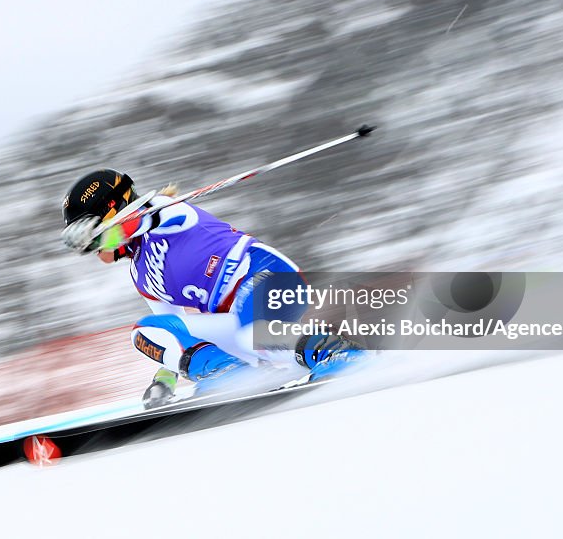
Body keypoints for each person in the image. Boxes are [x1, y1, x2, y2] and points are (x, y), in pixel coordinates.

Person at [60, 169, 360, 408]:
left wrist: (106, 235)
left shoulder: (164, 211)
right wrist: (165, 380)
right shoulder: (142, 275)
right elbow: (177, 333)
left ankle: (334, 353)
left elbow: (152, 217)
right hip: (237, 318)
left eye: (93, 239)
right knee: (145, 331)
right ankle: (232, 375)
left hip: (268, 277)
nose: (95, 252)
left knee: (251, 332)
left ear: (113, 210)